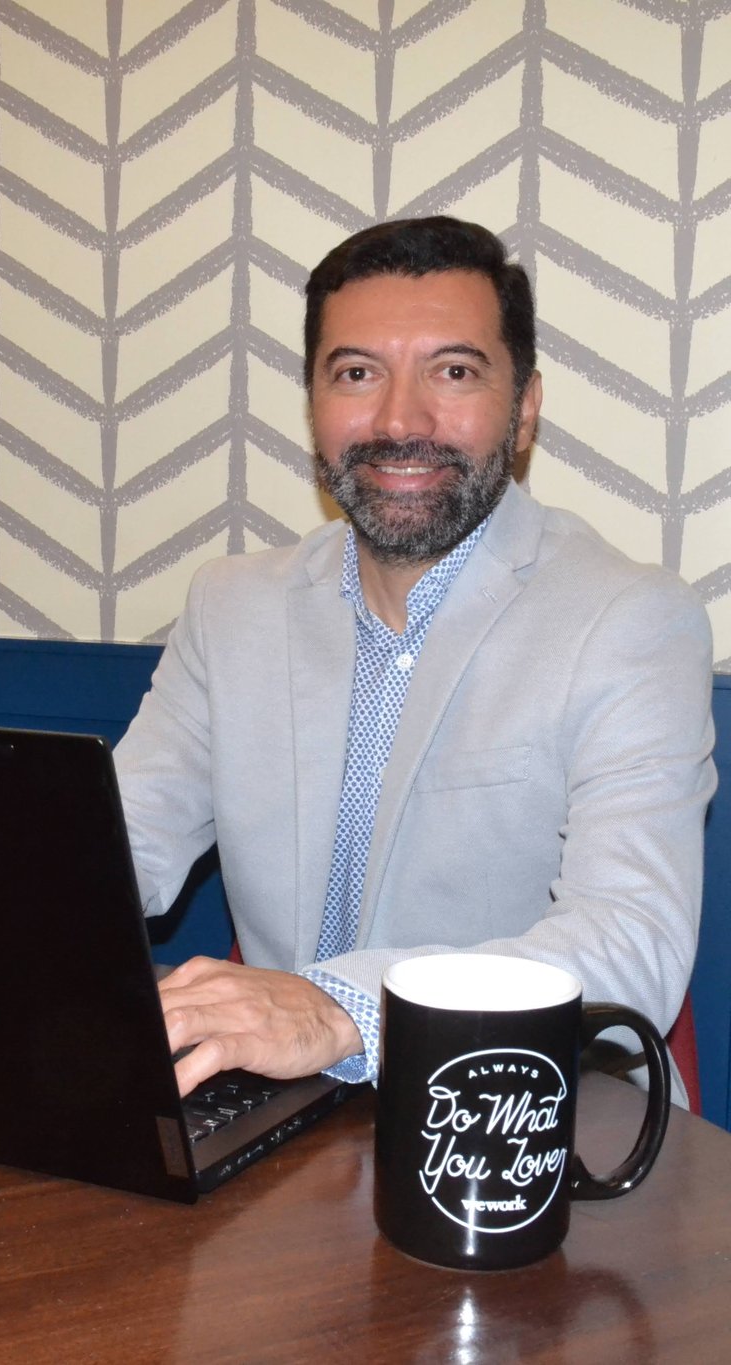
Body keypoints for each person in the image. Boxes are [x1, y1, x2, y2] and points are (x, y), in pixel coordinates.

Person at [114, 216, 716, 1106]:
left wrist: (341, 1009)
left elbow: (629, 944)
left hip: (528, 1124)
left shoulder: (630, 621)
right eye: (357, 373)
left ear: (526, 409)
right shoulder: (230, 606)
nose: (400, 418)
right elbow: (115, 852)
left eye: (455, 372)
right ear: (314, 404)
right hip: (280, 1124)